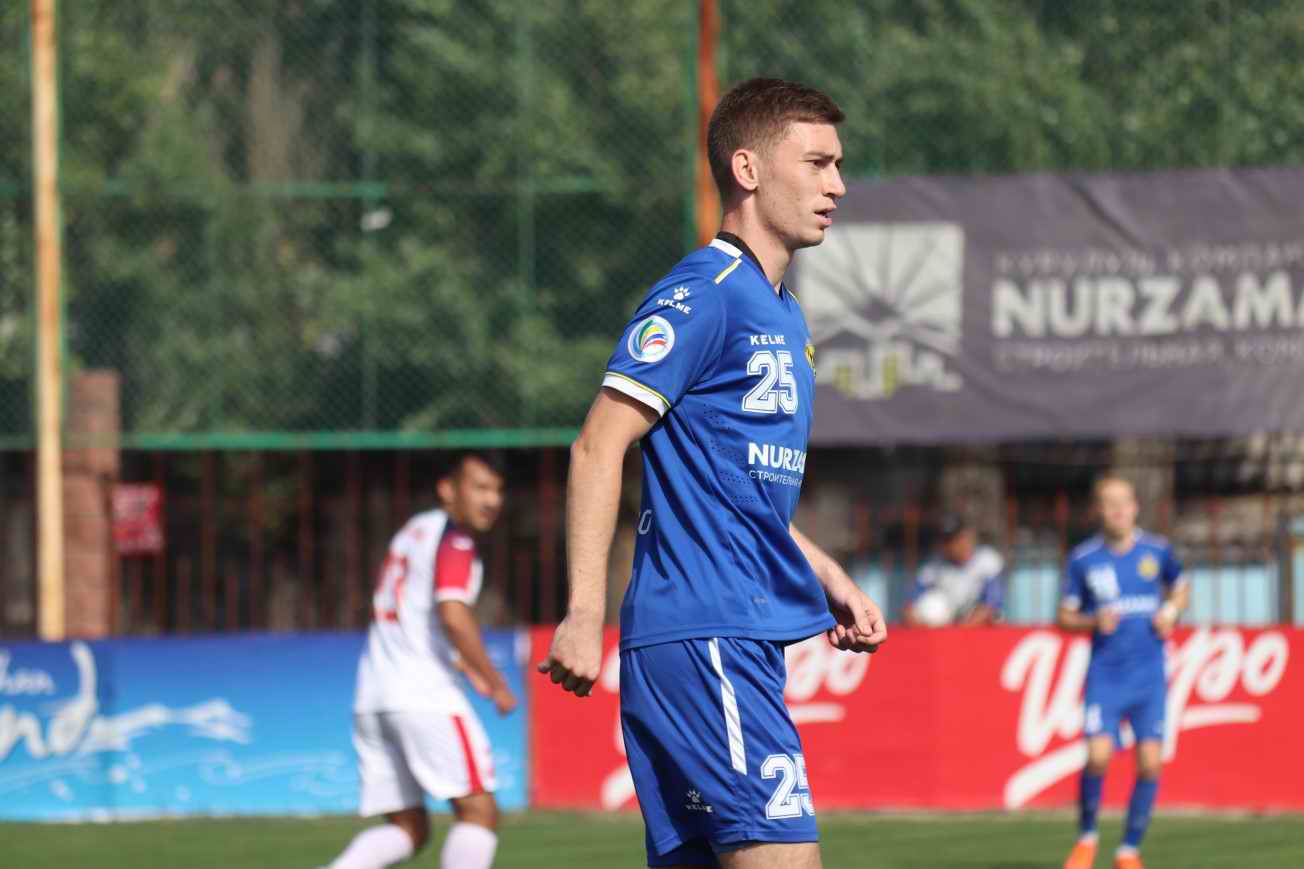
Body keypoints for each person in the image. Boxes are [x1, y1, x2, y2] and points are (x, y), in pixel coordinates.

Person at [537, 77, 888, 869]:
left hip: (724, 633)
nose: (837, 184)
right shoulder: (705, 293)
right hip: (709, 634)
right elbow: (597, 444)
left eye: (839, 165)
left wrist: (827, 573)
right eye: (818, 163)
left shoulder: (782, 311)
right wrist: (584, 611)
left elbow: (735, 488)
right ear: (749, 169)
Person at [325, 451, 516, 869]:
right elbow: (453, 614)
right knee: (480, 812)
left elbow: (414, 614)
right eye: (480, 488)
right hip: (424, 696)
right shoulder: (456, 540)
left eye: (497, 490)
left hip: (374, 698)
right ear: (448, 489)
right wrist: (495, 681)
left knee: (410, 828)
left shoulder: (414, 530)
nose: (492, 500)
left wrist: (459, 662)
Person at [1058, 475, 1188, 869]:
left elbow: (1181, 586)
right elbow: (1064, 616)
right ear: (1098, 510)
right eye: (1109, 503)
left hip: (1149, 676)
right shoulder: (1083, 558)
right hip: (1107, 675)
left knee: (1150, 762)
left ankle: (1128, 850)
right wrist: (1092, 621)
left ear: (1135, 507)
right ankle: (1087, 838)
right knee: (1098, 756)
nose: (1118, 509)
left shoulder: (1157, 551)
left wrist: (1170, 611)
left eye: (1124, 502)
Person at [902, 514, 1004, 627]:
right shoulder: (935, 565)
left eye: (955, 539)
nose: (951, 545)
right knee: (933, 605)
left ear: (967, 537)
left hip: (975, 621)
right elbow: (910, 604)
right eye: (946, 541)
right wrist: (915, 620)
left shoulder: (987, 559)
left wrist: (962, 629)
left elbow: (992, 603)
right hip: (947, 622)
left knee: (995, 617)